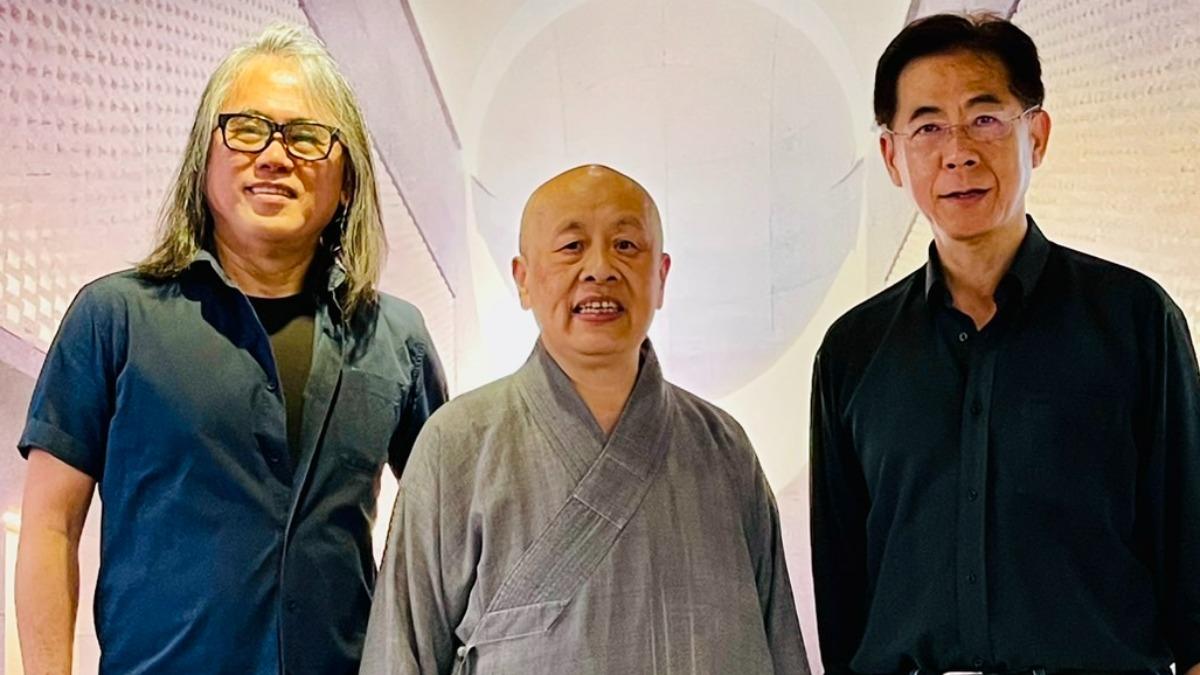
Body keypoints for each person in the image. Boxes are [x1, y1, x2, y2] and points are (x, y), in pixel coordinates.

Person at [15, 23, 447, 675]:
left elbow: (448, 531)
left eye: (307, 136)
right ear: (203, 160)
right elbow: (51, 523)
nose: (275, 155)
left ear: (348, 181)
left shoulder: (398, 337)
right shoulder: (113, 318)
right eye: (247, 129)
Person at [809, 12, 1199, 675]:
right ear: (892, 157)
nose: (957, 151)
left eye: (985, 119)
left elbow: (1189, 555)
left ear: (1036, 135)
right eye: (927, 127)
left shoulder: (1136, 321)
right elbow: (843, 588)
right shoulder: (852, 352)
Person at [361, 164, 808, 674]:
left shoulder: (724, 448)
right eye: (572, 246)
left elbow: (779, 643)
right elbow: (401, 653)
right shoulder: (457, 444)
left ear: (661, 277)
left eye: (626, 245)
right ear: (523, 280)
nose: (600, 268)